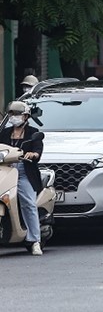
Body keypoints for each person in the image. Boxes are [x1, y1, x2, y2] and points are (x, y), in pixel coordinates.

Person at [0, 101, 44, 255]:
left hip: (24, 172)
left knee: (28, 204)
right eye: (11, 114)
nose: (14, 117)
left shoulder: (33, 132)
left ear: (26, 116)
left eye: (17, 114)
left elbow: (38, 149)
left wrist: (34, 154)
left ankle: (35, 240)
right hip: (5, 170)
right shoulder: (4, 133)